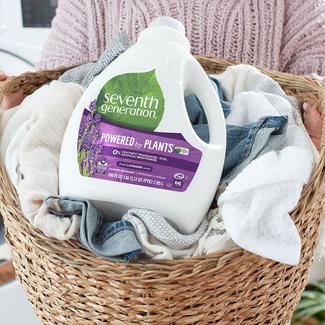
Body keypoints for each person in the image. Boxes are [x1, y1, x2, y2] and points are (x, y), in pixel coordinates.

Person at [0, 0, 324, 142]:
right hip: (108, 249)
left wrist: (312, 130)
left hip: (239, 261)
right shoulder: (89, 5)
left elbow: (314, 91)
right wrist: (15, 110)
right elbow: (51, 100)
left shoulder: (292, 5)